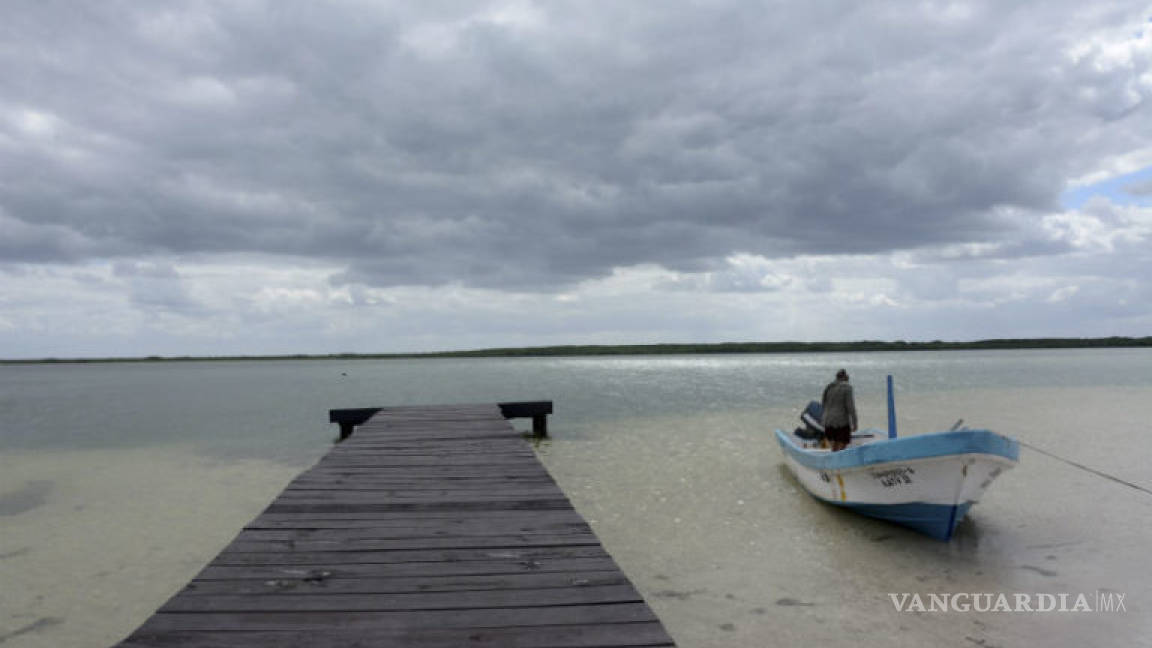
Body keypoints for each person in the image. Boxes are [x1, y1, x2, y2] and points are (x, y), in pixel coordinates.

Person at [821, 369, 857, 451]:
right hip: (841, 422)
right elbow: (850, 407)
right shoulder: (847, 388)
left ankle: (834, 457)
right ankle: (838, 459)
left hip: (827, 421)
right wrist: (855, 423)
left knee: (834, 445)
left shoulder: (829, 387)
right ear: (846, 377)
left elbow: (823, 403)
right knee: (843, 443)